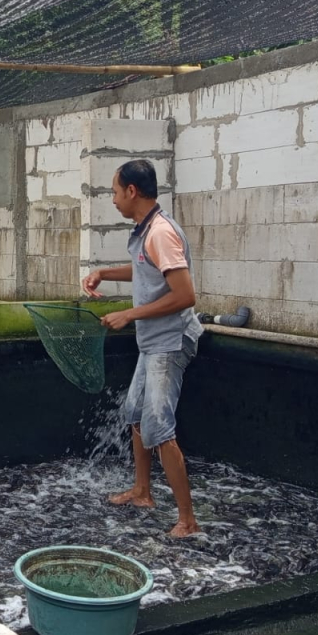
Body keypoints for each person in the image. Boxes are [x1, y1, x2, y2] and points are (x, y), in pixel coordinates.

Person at [81, 160, 203, 538]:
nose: (114, 200)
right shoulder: (147, 231)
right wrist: (104, 272)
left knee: (159, 428)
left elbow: (185, 295)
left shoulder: (161, 233)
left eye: (115, 192)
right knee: (135, 414)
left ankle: (187, 520)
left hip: (169, 343)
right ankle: (142, 492)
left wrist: (130, 314)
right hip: (152, 343)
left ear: (132, 191)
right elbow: (145, 268)